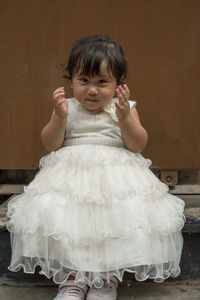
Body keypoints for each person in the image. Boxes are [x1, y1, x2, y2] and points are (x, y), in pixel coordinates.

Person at [7, 34, 185, 300]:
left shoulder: (124, 108)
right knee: (63, 217)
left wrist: (126, 118)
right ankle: (71, 281)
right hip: (71, 179)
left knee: (119, 218)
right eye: (84, 81)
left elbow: (137, 145)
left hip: (116, 179)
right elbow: (51, 143)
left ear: (118, 83)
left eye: (102, 82)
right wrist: (58, 116)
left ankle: (104, 279)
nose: (92, 90)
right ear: (71, 79)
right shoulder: (67, 107)